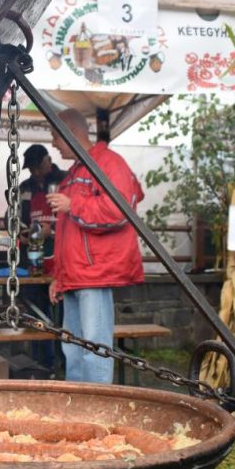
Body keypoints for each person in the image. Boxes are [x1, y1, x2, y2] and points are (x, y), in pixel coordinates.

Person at [46, 108, 145, 384]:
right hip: (78, 275)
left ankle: (98, 411)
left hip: (95, 273)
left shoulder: (108, 163)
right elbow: (70, 234)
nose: (54, 143)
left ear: (71, 133)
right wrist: (59, 276)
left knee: (94, 348)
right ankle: (78, 410)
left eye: (56, 136)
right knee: (74, 349)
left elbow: (118, 211)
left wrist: (72, 204)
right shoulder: (79, 169)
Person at [19, 144, 65, 369]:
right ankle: (41, 364)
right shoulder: (24, 188)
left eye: (38, 167)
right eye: (32, 169)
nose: (35, 173)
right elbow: (17, 217)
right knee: (36, 314)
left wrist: (52, 231)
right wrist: (23, 233)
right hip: (34, 261)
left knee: (63, 316)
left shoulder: (64, 180)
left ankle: (63, 363)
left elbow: (72, 217)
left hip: (61, 259)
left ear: (48, 161)